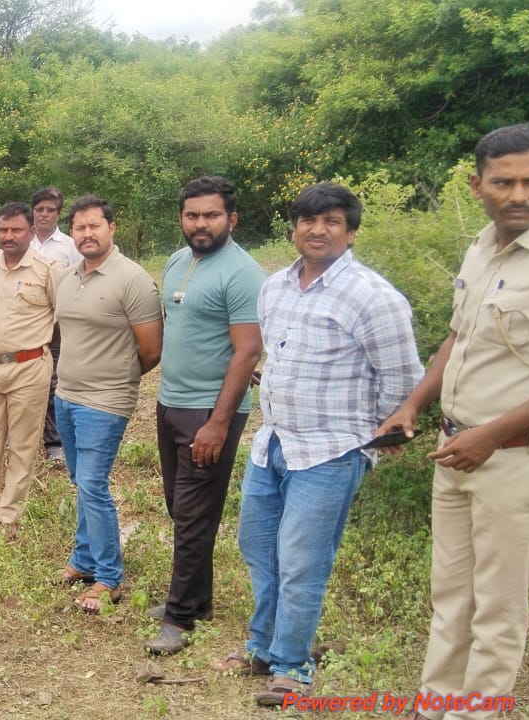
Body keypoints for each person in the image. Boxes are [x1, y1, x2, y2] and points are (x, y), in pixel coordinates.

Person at [214, 183, 423, 705]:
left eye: (332, 221)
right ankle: (260, 646)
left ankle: (291, 665)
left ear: (350, 232)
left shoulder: (373, 297)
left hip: (331, 452)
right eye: (308, 220)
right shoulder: (276, 287)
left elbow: (402, 379)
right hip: (275, 443)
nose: (318, 230)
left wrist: (375, 437)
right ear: (293, 228)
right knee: (258, 548)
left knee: (303, 560)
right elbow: (274, 354)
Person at [377, 123, 529, 720]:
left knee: (497, 606)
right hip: (455, 449)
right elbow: (458, 338)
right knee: (450, 595)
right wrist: (413, 404)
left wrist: (491, 436)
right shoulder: (479, 247)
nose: (520, 193)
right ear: (478, 185)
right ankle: (438, 703)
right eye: (505, 181)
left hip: (513, 457)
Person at [148, 177, 264, 654]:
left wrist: (218, 422)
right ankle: (198, 600)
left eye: (211, 215)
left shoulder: (242, 273)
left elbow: (247, 350)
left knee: (194, 513)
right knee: (181, 508)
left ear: (231, 220)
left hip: (210, 411)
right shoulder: (178, 262)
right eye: (192, 215)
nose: (200, 224)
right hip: (170, 402)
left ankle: (179, 619)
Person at [52, 195, 162, 613]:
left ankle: (109, 577)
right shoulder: (68, 277)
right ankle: (83, 560)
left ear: (111, 228)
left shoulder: (132, 279)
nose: (87, 233)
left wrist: (115, 380)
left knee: (94, 484)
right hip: (67, 395)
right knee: (81, 481)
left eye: (94, 225)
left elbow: (151, 350)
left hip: (105, 401)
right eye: (79, 227)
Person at [0, 202, 60, 542]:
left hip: (30, 368)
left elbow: (63, 316)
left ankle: (9, 516)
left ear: (31, 232)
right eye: (3, 229)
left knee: (22, 444)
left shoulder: (48, 269)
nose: (9, 236)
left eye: (16, 229)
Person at [28, 187, 80, 465]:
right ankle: (20, 439)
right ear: (33, 212)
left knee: (54, 386)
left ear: (58, 214)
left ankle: (55, 443)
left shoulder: (70, 246)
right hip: (25, 329)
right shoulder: (22, 240)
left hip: (58, 329)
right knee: (23, 384)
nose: (44, 214)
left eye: (50, 210)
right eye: (39, 209)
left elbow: (79, 282)